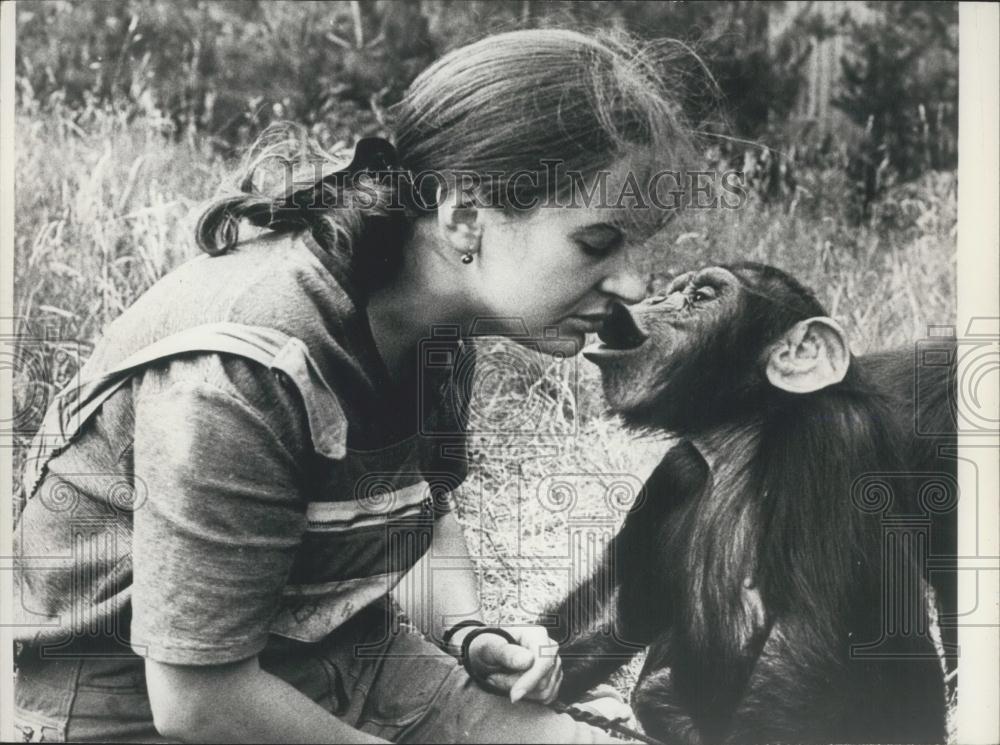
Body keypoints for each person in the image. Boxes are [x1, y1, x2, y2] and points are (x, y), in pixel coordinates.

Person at [13, 28, 693, 744]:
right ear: (465, 216)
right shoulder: (245, 371)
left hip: (342, 659)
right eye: (596, 242)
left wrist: (467, 632)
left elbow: (422, 520)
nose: (631, 285)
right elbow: (196, 700)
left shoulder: (433, 323)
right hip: (134, 709)